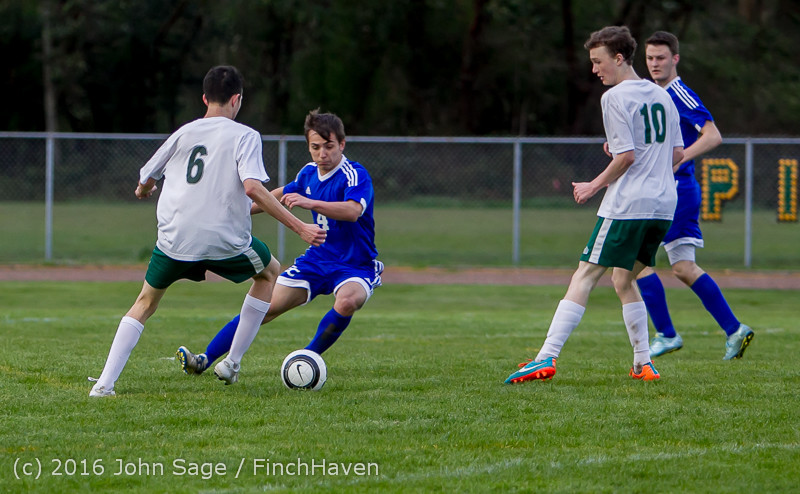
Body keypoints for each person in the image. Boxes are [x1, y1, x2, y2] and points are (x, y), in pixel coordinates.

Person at [88, 66, 326, 397]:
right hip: (223, 240)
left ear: (204, 98)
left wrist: (144, 191)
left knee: (144, 302)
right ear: (237, 99)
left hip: (174, 240)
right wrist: (300, 226)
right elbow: (254, 189)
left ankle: (104, 384)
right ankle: (232, 363)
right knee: (270, 272)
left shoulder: (183, 133)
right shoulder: (245, 135)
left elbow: (146, 178)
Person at [505, 25, 684, 384]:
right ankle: (643, 363)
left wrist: (593, 185)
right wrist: (629, 157)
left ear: (619, 58)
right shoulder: (663, 96)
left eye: (598, 61)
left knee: (584, 274)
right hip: (663, 205)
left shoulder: (615, 97)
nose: (594, 69)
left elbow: (627, 157)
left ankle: (545, 357)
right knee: (624, 279)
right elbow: (676, 153)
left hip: (628, 205)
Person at [175, 109, 382, 381]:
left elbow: (353, 210)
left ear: (341, 144)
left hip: (356, 264)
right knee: (265, 307)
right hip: (317, 261)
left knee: (348, 300)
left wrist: (310, 203)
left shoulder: (355, 174)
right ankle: (204, 359)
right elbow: (279, 194)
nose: (322, 154)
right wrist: (241, 210)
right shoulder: (308, 174)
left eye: (329, 146)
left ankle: (306, 360)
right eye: (315, 147)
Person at [638, 31, 753, 360]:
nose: (655, 64)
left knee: (634, 261)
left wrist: (682, 157)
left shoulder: (679, 93)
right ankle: (735, 330)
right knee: (684, 268)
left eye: (661, 58)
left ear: (675, 59)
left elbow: (713, 135)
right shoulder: (654, 93)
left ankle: (666, 333)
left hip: (675, 190)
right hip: (676, 190)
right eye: (649, 58)